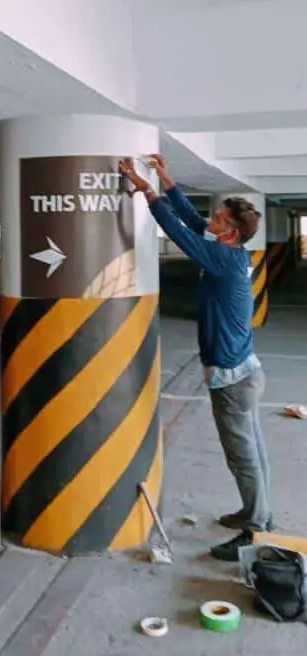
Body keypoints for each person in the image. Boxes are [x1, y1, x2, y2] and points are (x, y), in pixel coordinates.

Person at [119, 154, 271, 562]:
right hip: (244, 372)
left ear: (231, 232)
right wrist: (167, 180)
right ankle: (256, 514)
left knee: (243, 457)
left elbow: (178, 230)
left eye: (218, 219)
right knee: (252, 452)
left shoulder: (221, 259)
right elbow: (189, 218)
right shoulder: (228, 249)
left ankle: (254, 528)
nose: (211, 221)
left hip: (233, 379)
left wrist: (146, 191)